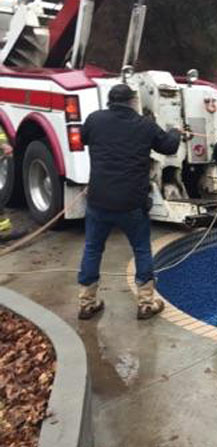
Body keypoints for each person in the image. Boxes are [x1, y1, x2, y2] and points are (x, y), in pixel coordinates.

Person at [78, 83, 181, 321]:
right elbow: (169, 146)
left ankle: (86, 303)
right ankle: (146, 303)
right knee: (142, 250)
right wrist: (175, 131)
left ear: (109, 101)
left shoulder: (95, 120)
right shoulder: (144, 125)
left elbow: (83, 139)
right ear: (133, 102)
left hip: (98, 200)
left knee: (93, 249)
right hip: (131, 204)